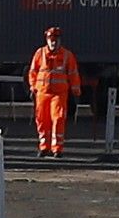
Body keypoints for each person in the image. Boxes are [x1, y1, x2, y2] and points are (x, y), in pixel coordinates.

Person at [27, 25, 81, 158]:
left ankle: (57, 148)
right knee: (42, 120)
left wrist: (76, 90)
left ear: (60, 40)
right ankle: (44, 147)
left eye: (56, 39)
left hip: (59, 94)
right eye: (51, 38)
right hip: (42, 93)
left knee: (58, 119)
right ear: (47, 39)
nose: (53, 41)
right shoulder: (39, 53)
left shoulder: (67, 56)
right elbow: (32, 72)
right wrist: (33, 86)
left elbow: (73, 74)